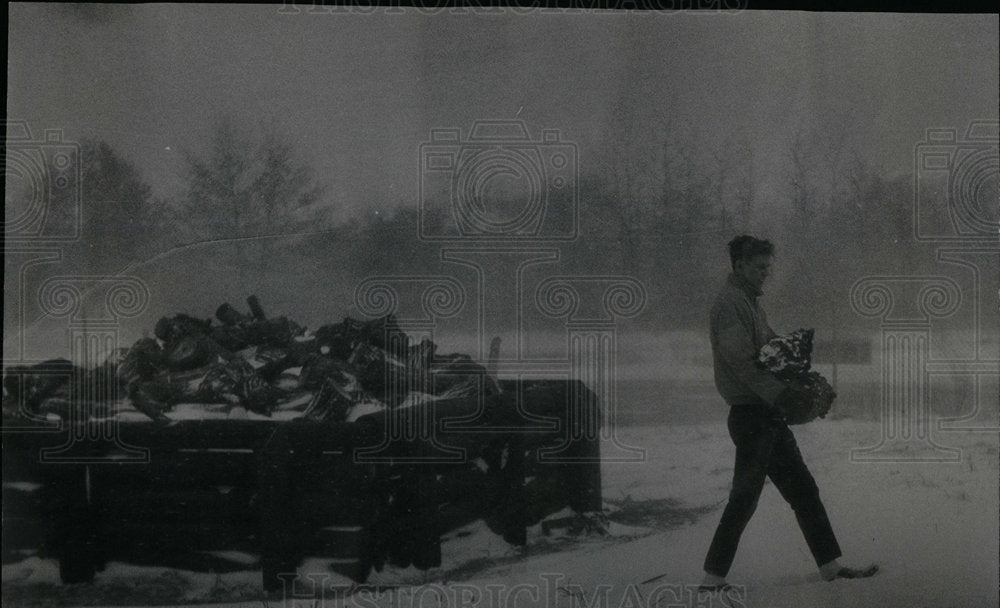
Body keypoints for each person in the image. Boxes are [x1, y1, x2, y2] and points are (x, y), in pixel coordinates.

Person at [699, 235, 878, 593]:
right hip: (752, 416)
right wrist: (784, 395)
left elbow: (769, 351)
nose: (767, 274)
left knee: (803, 490)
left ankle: (830, 568)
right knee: (745, 497)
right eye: (760, 267)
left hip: (765, 414)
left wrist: (799, 373)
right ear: (740, 266)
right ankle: (711, 581)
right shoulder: (729, 305)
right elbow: (743, 366)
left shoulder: (749, 302)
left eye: (768, 266)